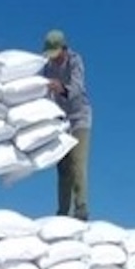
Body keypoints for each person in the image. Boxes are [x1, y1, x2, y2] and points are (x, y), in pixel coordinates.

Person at [41, 29, 91, 220]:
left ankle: (81, 208)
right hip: (61, 121)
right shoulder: (47, 67)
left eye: (55, 53)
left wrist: (61, 88)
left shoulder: (75, 61)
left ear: (63, 48)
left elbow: (77, 87)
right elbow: (45, 92)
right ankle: (63, 211)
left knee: (77, 162)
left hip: (79, 118)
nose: (53, 58)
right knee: (62, 167)